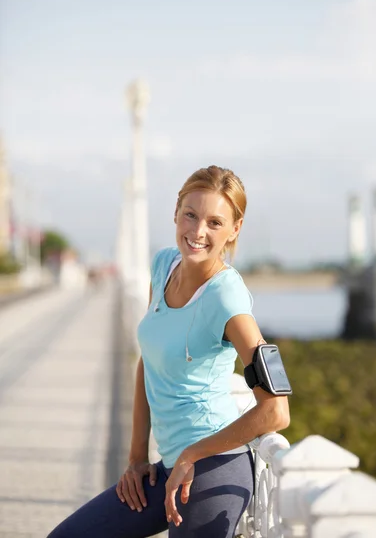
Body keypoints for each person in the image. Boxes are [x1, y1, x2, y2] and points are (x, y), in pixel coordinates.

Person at [47, 165, 290, 538]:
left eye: (214, 222)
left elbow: (275, 410)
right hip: (167, 468)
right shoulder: (163, 265)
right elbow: (149, 360)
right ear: (176, 211)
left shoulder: (227, 296)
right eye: (190, 215)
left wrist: (192, 454)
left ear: (234, 229)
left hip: (214, 471)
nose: (197, 232)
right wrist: (136, 457)